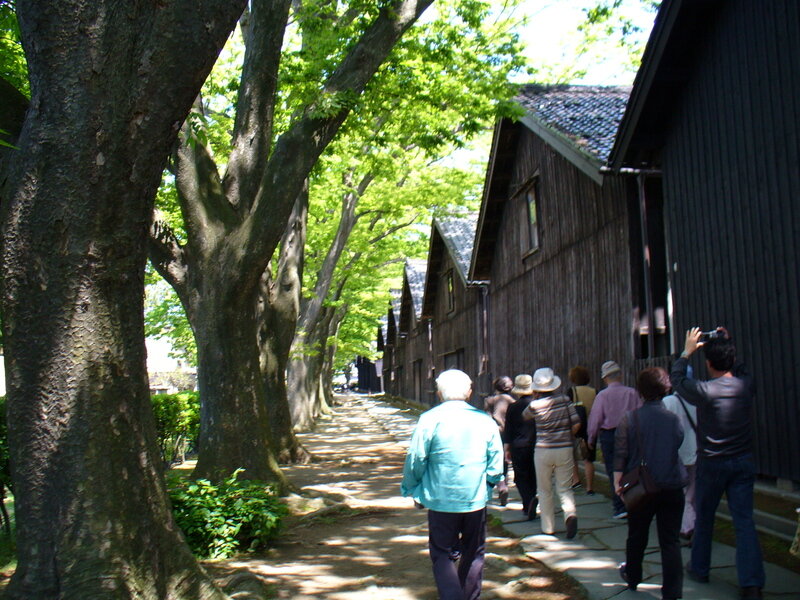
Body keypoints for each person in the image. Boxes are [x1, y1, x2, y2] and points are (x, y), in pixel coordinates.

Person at [671, 327, 765, 600]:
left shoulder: (704, 390)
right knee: (744, 521)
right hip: (743, 461)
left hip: (712, 462)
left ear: (708, 363)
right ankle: (752, 583)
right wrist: (728, 342)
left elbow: (677, 380)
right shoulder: (745, 385)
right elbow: (742, 367)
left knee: (705, 516)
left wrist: (686, 352)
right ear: (731, 360)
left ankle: (700, 567)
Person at [401, 369, 503, 600]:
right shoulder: (483, 420)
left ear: (438, 393)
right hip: (474, 498)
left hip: (440, 497)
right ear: (469, 391)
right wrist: (489, 484)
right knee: (474, 552)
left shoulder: (429, 419)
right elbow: (496, 461)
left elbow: (416, 458)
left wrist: (411, 487)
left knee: (442, 554)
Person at [614, 367, 687, 600]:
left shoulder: (630, 418)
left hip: (642, 485)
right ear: (666, 388)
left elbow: (621, 451)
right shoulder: (673, 419)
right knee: (670, 540)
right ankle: (672, 591)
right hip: (672, 484)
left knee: (637, 534)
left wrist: (618, 480)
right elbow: (677, 441)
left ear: (640, 390)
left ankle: (633, 576)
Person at [522, 367, 580, 538]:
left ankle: (548, 527)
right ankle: (570, 515)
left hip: (542, 449)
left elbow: (525, 416)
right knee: (565, 488)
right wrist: (567, 436)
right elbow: (576, 423)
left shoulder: (534, 405)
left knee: (545, 489)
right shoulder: (565, 400)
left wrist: (534, 397)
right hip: (564, 448)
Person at [587, 360, 642, 518]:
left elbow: (595, 420)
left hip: (610, 435)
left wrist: (591, 438)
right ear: (621, 375)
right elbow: (640, 413)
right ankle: (634, 502)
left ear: (605, 378)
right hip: (630, 433)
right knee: (631, 468)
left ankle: (620, 506)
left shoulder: (602, 395)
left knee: (614, 470)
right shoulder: (632, 393)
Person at [662, 367, 698, 543]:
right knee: (692, 491)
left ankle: (687, 527)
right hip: (697, 450)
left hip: (678, 452)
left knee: (681, 492)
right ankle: (693, 523)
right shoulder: (699, 400)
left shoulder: (669, 402)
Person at [504, 374, 539, 520]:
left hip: (518, 445)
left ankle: (528, 502)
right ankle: (532, 501)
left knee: (520, 477)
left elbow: (508, 429)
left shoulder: (513, 407)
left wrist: (506, 448)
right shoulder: (538, 404)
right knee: (533, 475)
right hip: (537, 444)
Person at [484, 376, 515, 506]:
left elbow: (487, 417)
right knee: (505, 461)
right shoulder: (513, 401)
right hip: (508, 433)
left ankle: (496, 487)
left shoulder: (489, 400)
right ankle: (504, 486)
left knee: (491, 460)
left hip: (494, 432)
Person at [566, 366, 597, 494]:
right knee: (588, 459)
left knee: (572, 455)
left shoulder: (572, 391)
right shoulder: (595, 391)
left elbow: (568, 410)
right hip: (591, 426)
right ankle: (590, 487)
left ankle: (576, 480)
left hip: (575, 426)